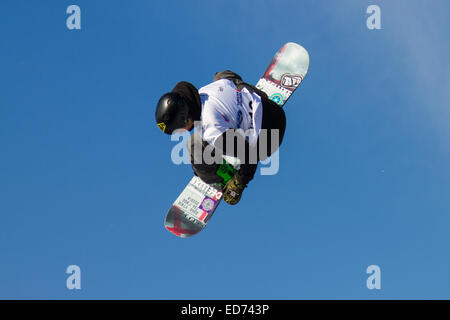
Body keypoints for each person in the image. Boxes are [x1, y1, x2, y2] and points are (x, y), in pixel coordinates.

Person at [155, 70, 286, 205]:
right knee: (223, 77)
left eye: (179, 128)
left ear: (185, 117)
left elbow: (250, 155)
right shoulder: (206, 91)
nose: (182, 132)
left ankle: (225, 176)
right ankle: (246, 109)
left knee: (194, 146)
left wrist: (239, 184)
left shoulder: (211, 128)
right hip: (272, 109)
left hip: (269, 139)